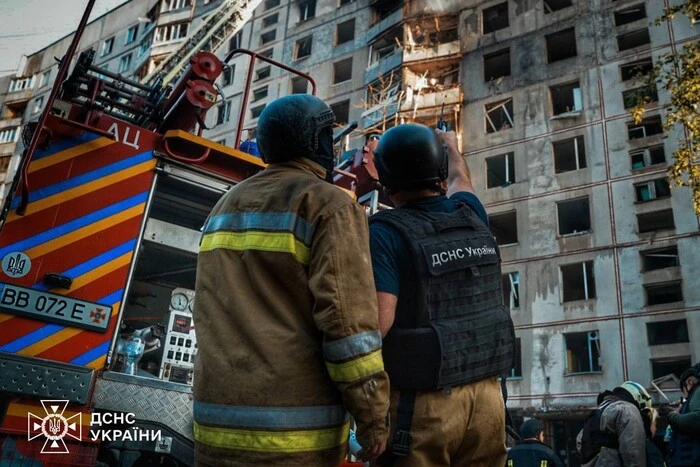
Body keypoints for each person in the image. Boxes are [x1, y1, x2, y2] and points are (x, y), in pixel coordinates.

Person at [193, 94, 390, 466]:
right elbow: (348, 327)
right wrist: (372, 417)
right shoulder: (329, 205)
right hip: (291, 441)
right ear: (316, 143)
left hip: (213, 429)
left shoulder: (223, 206)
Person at [369, 123, 516, 466]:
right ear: (437, 169)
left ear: (386, 180)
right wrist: (450, 144)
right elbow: (460, 179)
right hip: (488, 402)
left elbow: (376, 325)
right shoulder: (472, 215)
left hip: (423, 409)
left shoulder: (384, 233)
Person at [579, 381, 653, 466]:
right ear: (638, 398)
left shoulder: (599, 411)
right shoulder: (628, 409)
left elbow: (580, 442)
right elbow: (633, 451)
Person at [667, 362, 700, 466]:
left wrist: (673, 416)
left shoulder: (698, 392)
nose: (685, 397)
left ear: (689, 382)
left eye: (683, 391)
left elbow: (697, 419)